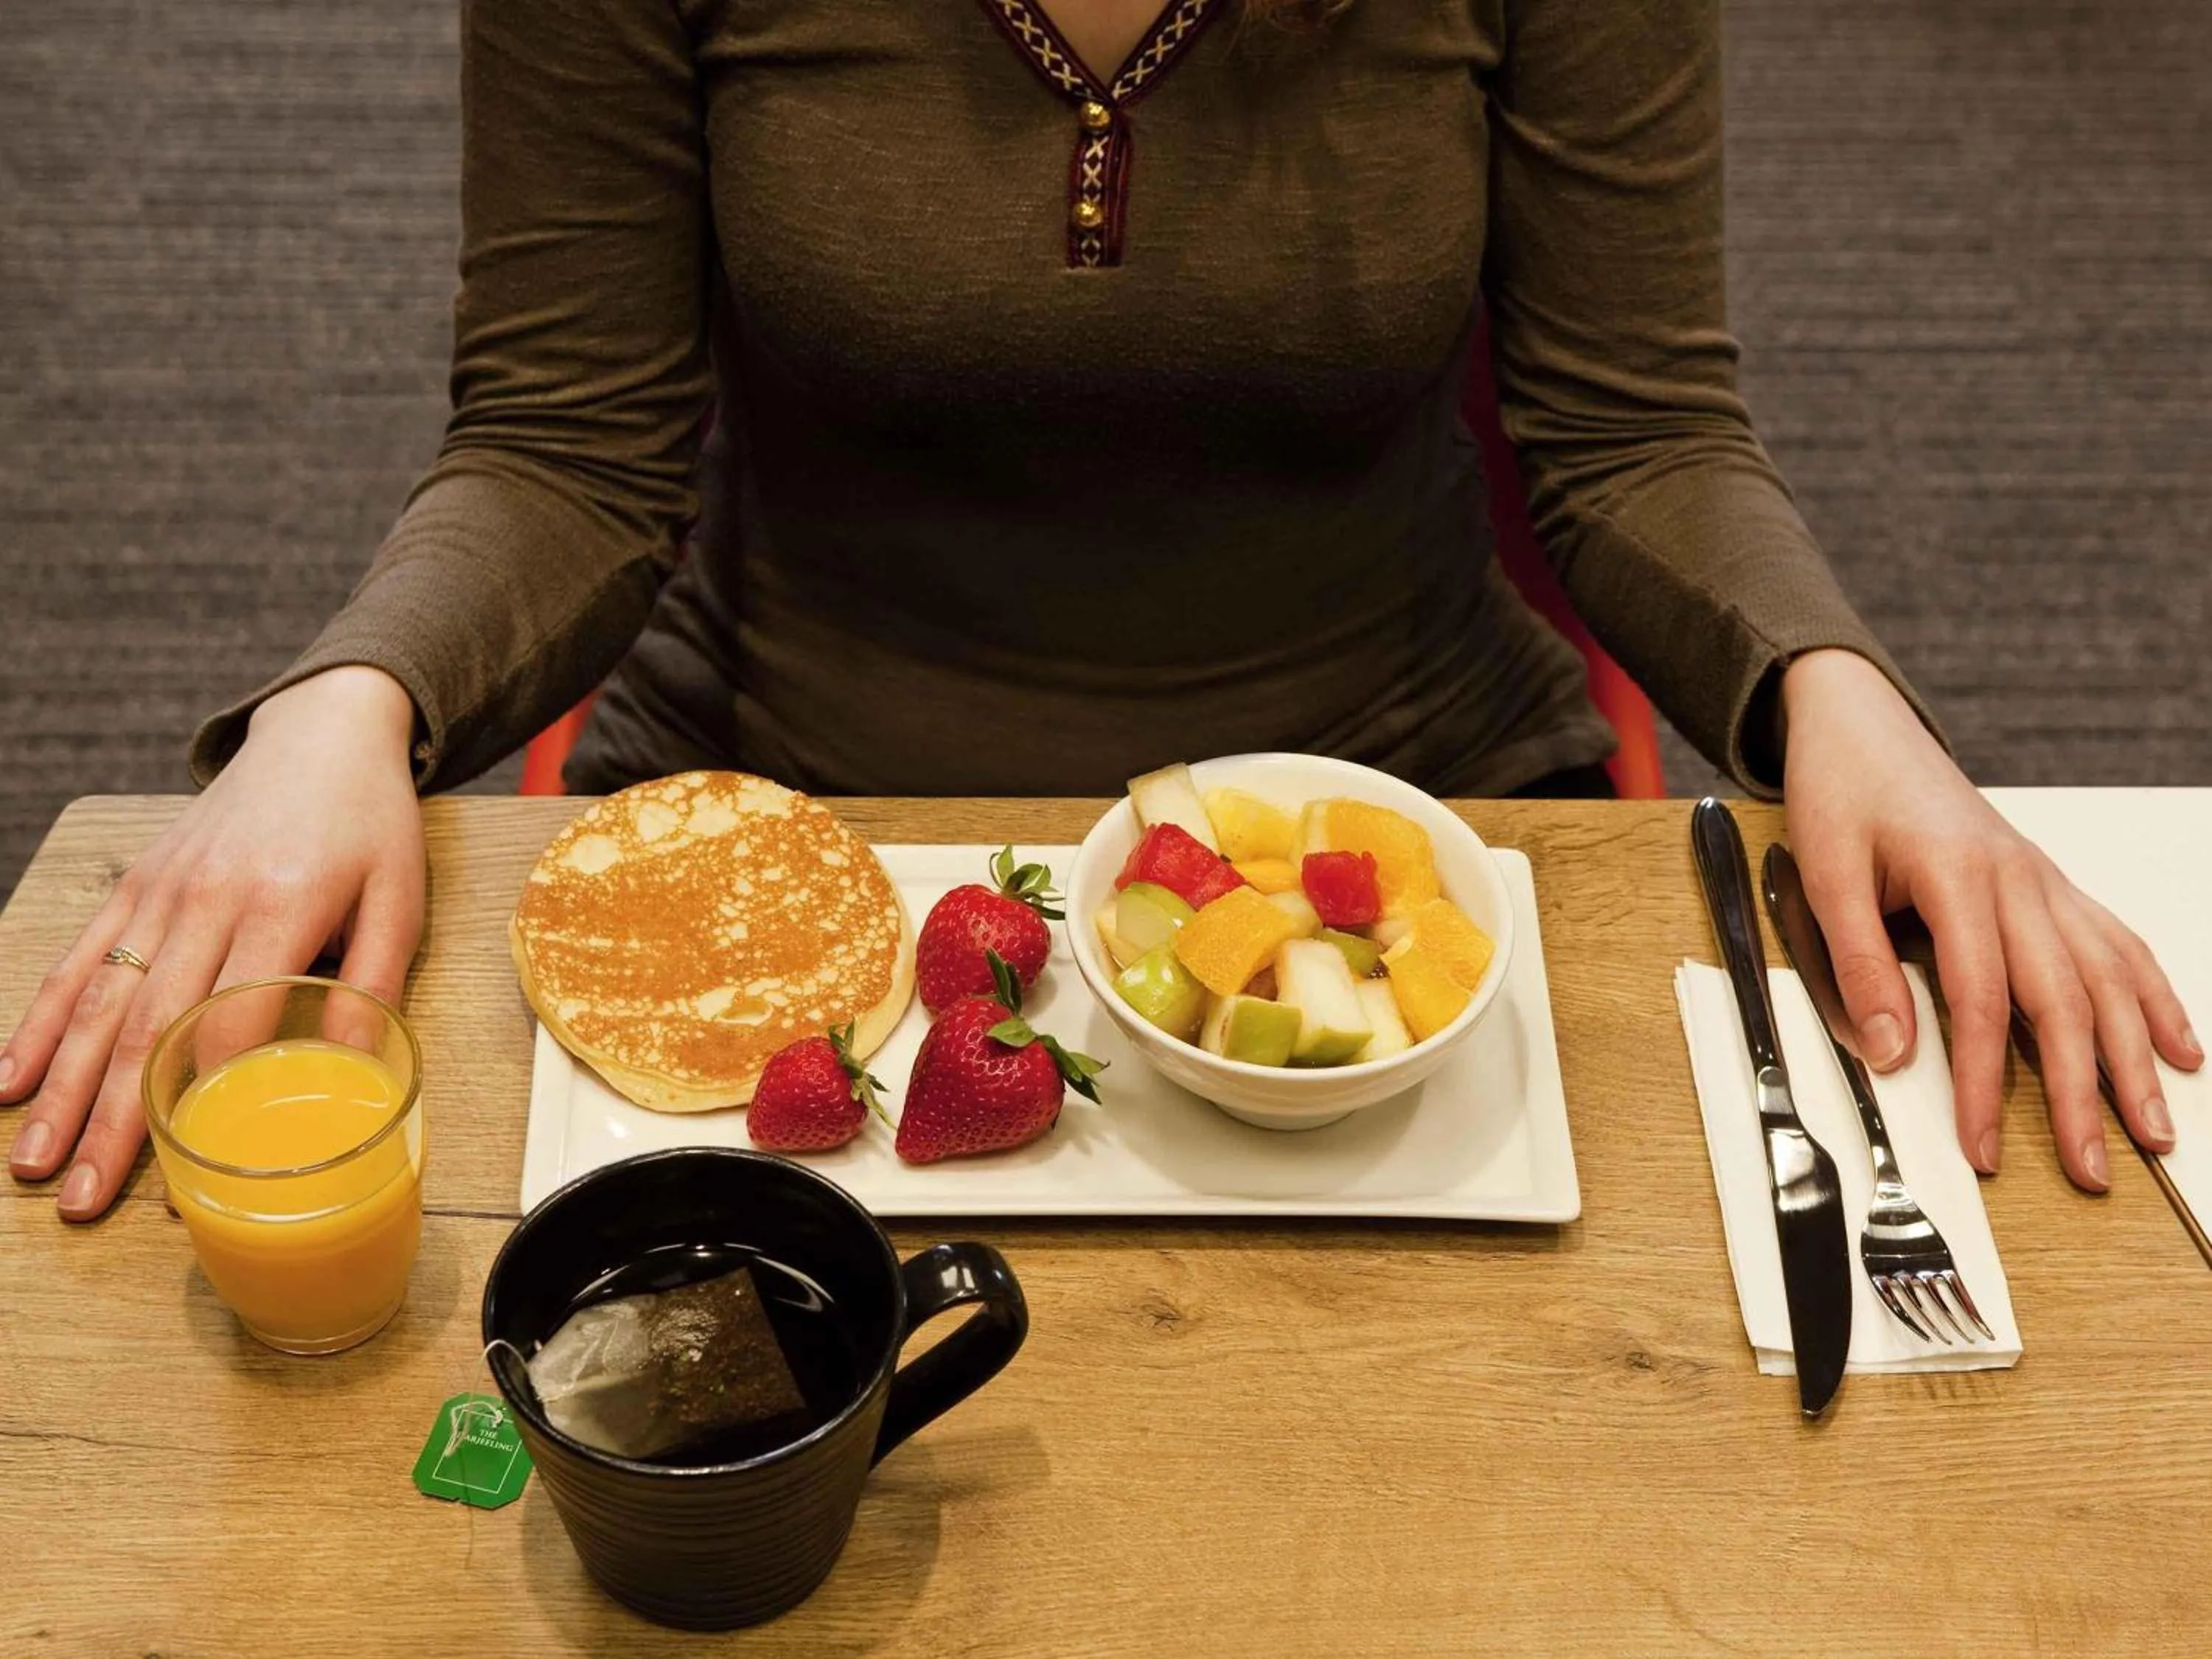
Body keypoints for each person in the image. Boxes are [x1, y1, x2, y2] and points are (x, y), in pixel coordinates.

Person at [3, 0, 2196, 1220]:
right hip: (785, 824)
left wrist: (1840, 694)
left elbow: (1636, 436)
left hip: (1406, 831)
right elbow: (568, 449)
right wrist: (348, 703)